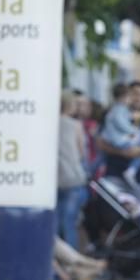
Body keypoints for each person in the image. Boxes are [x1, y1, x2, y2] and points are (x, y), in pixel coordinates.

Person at [57, 91, 88, 249]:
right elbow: (82, 152)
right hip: (73, 177)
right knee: (69, 222)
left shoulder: (51, 123)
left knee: (56, 223)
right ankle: (72, 260)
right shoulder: (75, 125)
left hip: (56, 179)